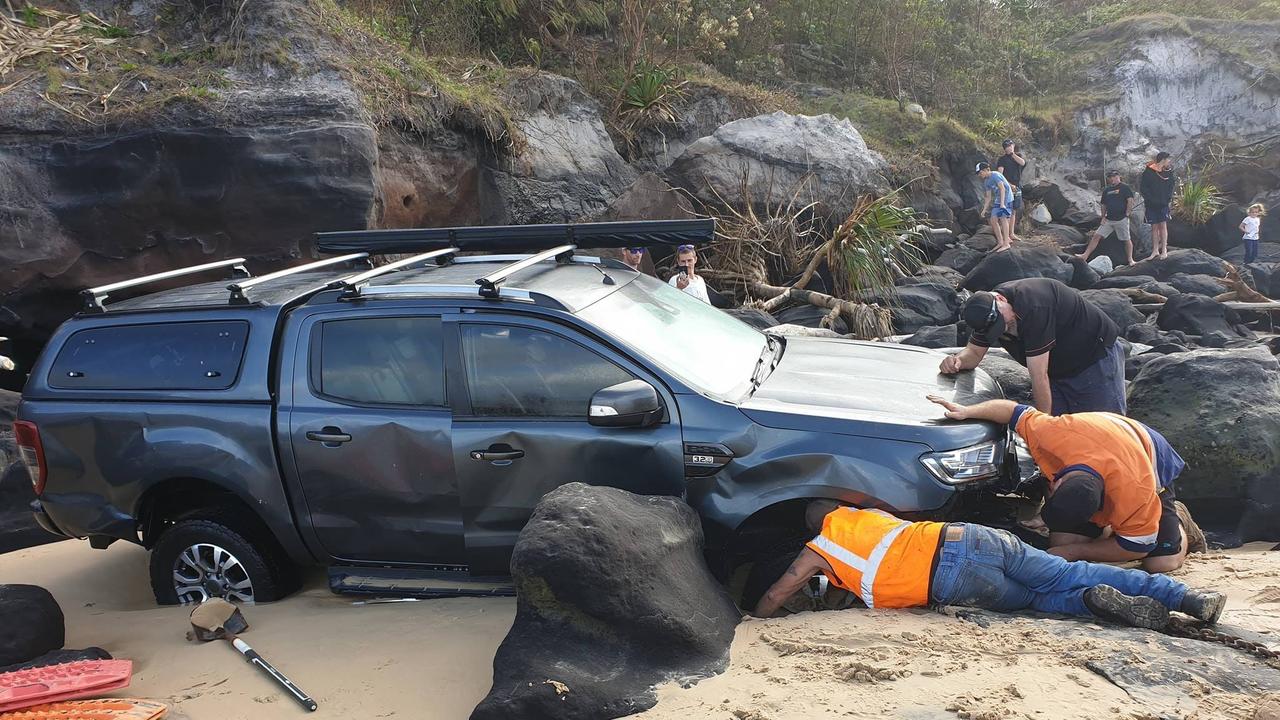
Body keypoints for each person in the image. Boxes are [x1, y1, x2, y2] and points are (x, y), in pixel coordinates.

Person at [751, 501, 1225, 629]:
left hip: (953, 580)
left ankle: (1090, 605)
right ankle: (1186, 598)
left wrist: (756, 619)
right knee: (1069, 572)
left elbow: (779, 592)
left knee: (1041, 600)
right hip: (970, 537)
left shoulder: (818, 549)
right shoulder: (867, 515)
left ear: (812, 527)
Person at [926, 396, 1191, 573]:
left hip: (1149, 451)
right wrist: (967, 411)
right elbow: (1010, 410)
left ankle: (1180, 521)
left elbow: (1137, 545)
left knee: (1160, 563)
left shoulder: (1137, 491)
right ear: (1057, 482)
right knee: (1059, 542)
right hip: (1094, 433)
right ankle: (1094, 533)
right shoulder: (1054, 433)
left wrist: (1075, 551)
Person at [939, 278, 1123, 415]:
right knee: (1065, 431)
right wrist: (957, 361)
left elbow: (1038, 375)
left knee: (1104, 426)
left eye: (1003, 324)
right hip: (1058, 368)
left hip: (1093, 355)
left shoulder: (1034, 307)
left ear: (1001, 299)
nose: (1004, 330)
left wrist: (1041, 424)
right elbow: (973, 352)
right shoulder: (984, 313)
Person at [1078, 170, 1136, 265]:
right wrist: (1103, 217)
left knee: (1126, 239)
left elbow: (1130, 200)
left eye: (1114, 176)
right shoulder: (1107, 190)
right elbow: (1103, 204)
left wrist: (1127, 213)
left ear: (1118, 176)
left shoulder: (1125, 188)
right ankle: (1085, 255)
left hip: (1121, 219)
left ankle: (1130, 260)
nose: (1112, 179)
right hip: (1109, 219)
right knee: (1096, 236)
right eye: (1110, 177)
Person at [1139, 152, 1175, 261]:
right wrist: (1150, 200)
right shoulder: (1148, 172)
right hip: (1151, 204)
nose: (1169, 162)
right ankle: (1155, 250)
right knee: (1154, 227)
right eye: (1168, 160)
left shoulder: (1168, 173)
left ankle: (1164, 250)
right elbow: (1144, 188)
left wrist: (1167, 200)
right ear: (1163, 160)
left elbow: (1171, 187)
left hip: (1163, 204)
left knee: (1163, 226)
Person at [977, 162, 1015, 252]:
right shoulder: (986, 182)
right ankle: (1000, 242)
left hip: (1007, 198)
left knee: (1003, 218)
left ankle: (1006, 243)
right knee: (993, 220)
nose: (979, 175)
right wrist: (984, 210)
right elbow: (988, 197)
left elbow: (1003, 189)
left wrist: (1002, 204)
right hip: (999, 199)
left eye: (980, 172)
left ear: (986, 170)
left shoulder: (995, 175)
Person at [995, 140, 1026, 241]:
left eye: (1010, 145)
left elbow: (1023, 163)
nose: (1009, 147)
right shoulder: (1002, 159)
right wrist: (1009, 185)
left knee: (1013, 211)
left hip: (1017, 186)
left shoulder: (1018, 156)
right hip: (1007, 187)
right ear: (1004, 148)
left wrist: (1013, 154)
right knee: (1006, 211)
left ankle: (1011, 233)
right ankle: (1006, 236)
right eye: (1007, 146)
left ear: (1013, 146)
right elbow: (1000, 175)